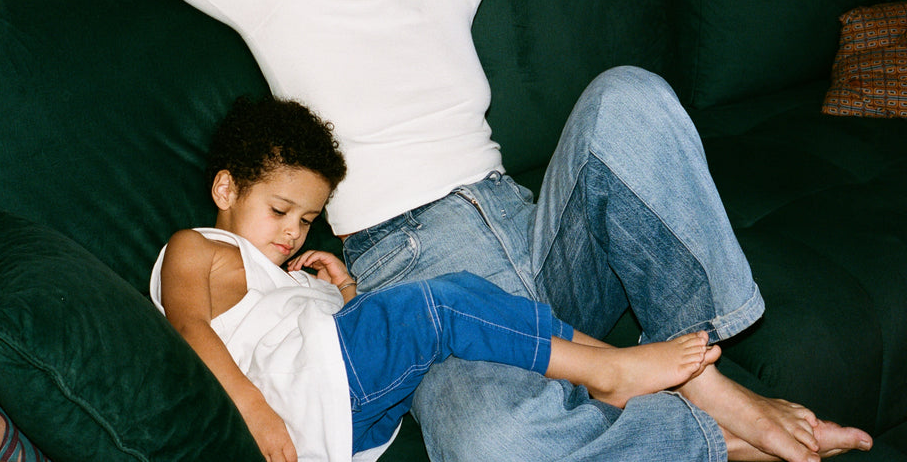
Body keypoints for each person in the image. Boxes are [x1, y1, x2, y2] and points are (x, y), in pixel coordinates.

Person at [112, 0, 875, 459]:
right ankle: (708, 436)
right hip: (417, 276)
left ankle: (704, 375)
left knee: (628, 97)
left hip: (538, 234)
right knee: (492, 441)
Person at [150, 96, 722, 461]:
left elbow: (326, 337)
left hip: (347, 410)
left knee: (470, 297)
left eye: (306, 220)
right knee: (439, 306)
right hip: (300, 404)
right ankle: (608, 368)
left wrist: (343, 292)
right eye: (280, 211)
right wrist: (253, 409)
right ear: (225, 190)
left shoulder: (282, 280)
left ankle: (650, 398)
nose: (294, 233)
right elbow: (188, 327)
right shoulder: (195, 246)